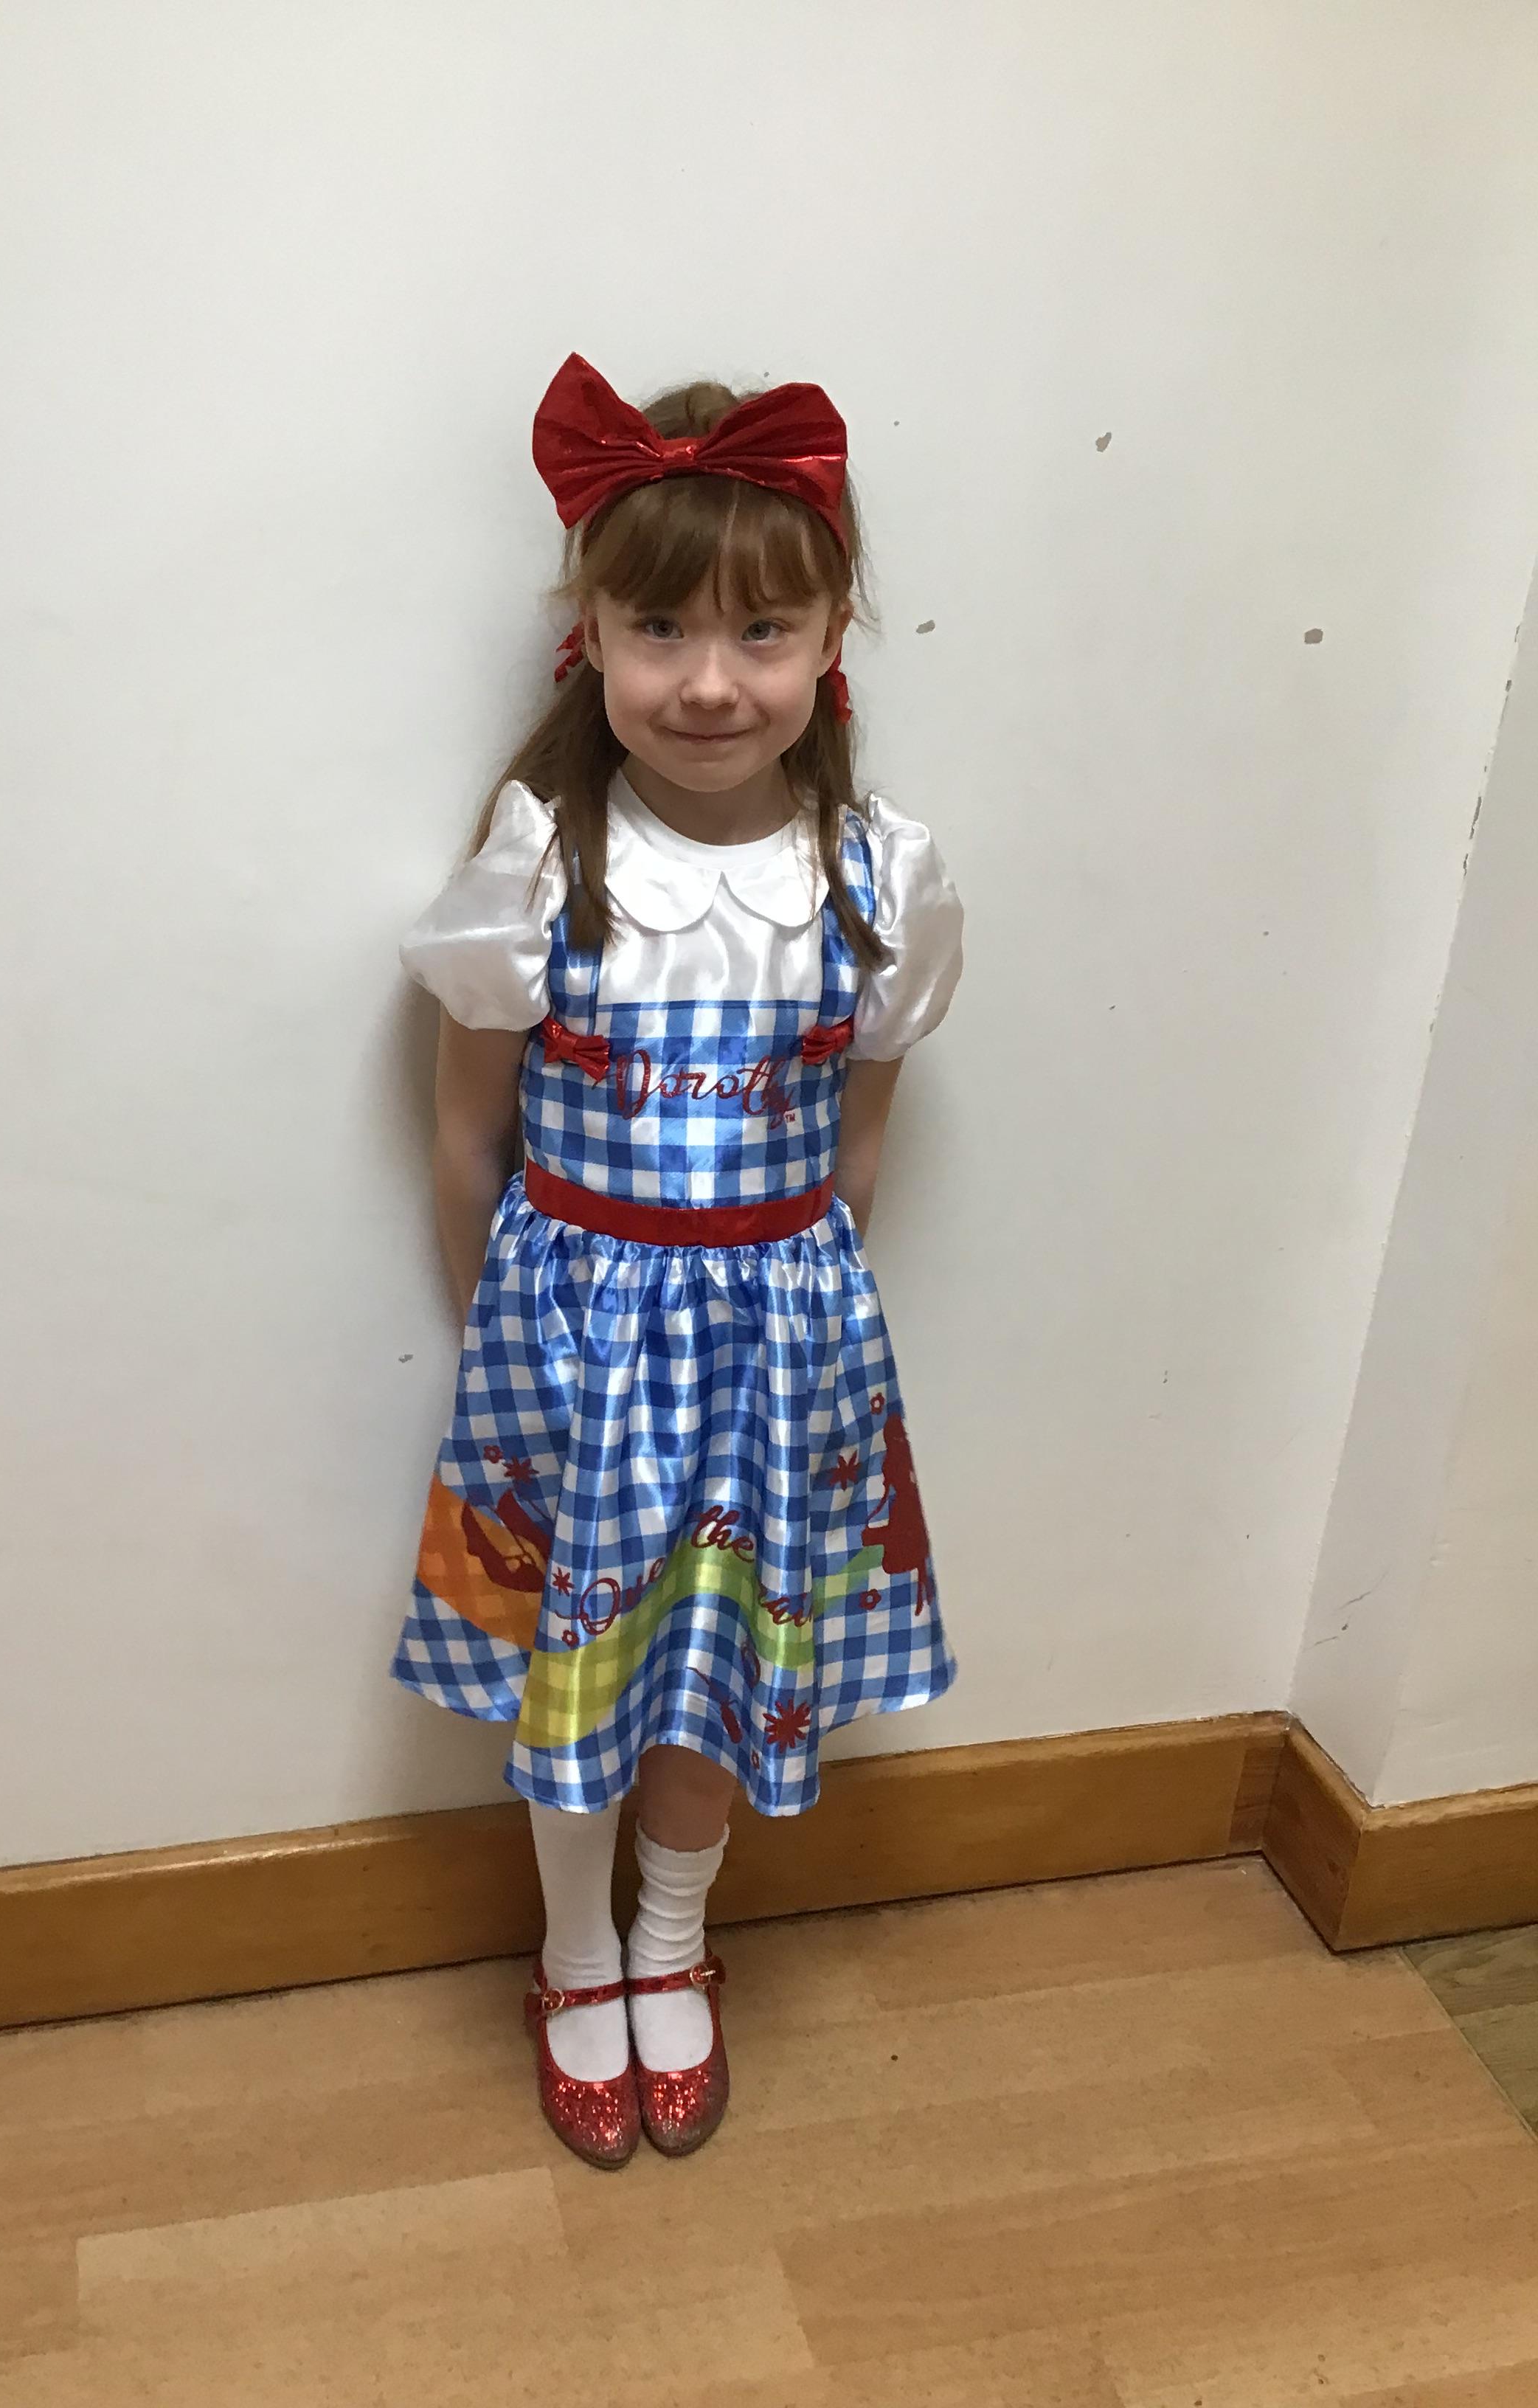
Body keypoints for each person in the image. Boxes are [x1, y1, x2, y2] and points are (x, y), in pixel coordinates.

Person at [392, 352, 963, 2168]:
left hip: (783, 1350)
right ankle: (574, 1956)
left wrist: (800, 1317)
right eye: (660, 628)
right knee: (584, 1670)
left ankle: (670, 1938)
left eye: (761, 631)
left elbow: (856, 1149)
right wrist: (515, 1343)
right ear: (594, 636)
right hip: (572, 1348)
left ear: (832, 639)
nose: (710, 681)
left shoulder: (876, 879)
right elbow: (467, 1142)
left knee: (725, 1657)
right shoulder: (541, 863)